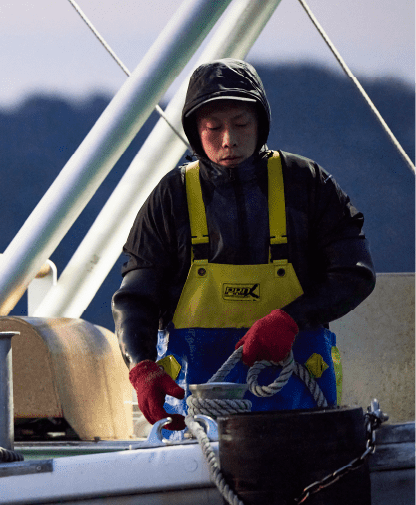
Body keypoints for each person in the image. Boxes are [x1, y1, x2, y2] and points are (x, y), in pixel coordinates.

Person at [112, 58, 375, 432]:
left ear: (261, 124)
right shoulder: (170, 197)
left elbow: (355, 273)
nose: (228, 140)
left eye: (241, 124)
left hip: (299, 398)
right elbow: (135, 297)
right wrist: (141, 368)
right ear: (193, 130)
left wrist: (290, 319)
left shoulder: (308, 183)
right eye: (213, 127)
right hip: (194, 412)